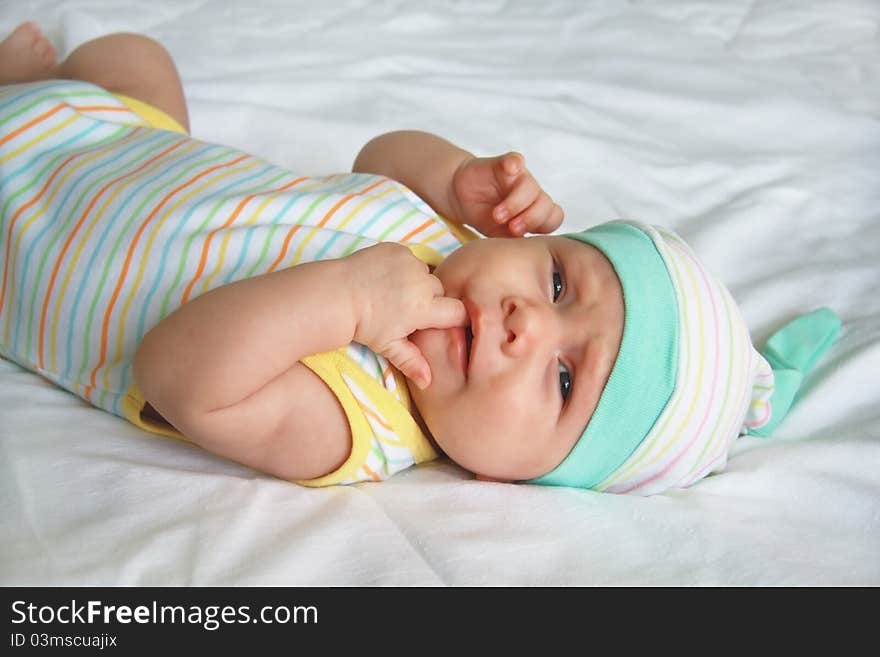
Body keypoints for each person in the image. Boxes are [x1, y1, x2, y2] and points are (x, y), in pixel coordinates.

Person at [0, 23, 841, 495]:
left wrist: (349, 305)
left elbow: (178, 370)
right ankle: (38, 89)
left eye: (562, 379)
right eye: (556, 281)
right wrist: (454, 176)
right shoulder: (454, 255)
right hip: (124, 144)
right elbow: (380, 156)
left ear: (504, 476)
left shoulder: (358, 416)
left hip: (23, 233)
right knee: (134, 57)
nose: (527, 321)